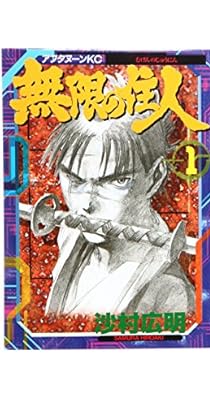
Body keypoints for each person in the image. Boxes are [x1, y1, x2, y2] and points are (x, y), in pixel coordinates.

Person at [40, 109, 195, 317]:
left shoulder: (170, 291)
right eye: (74, 180)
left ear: (154, 177)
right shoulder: (70, 234)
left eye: (117, 181)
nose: (86, 204)